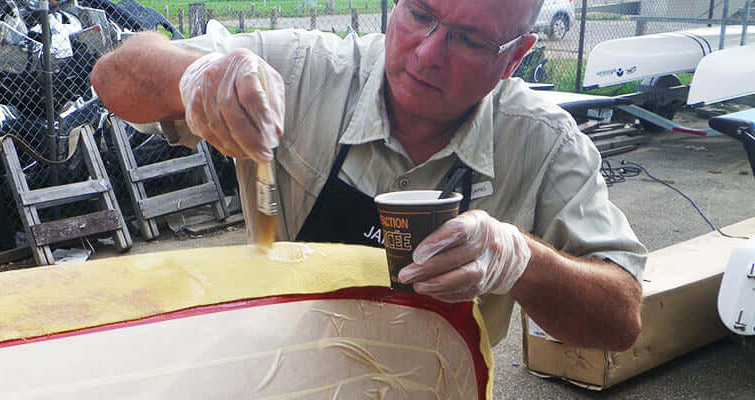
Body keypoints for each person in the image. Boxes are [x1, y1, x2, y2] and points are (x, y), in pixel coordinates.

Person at [91, 0, 645, 351]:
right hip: (287, 368)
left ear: (516, 56)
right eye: (420, 14)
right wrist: (196, 74)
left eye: (470, 40)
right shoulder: (307, 72)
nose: (428, 54)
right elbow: (113, 78)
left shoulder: (543, 142)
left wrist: (523, 261)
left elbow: (621, 321)